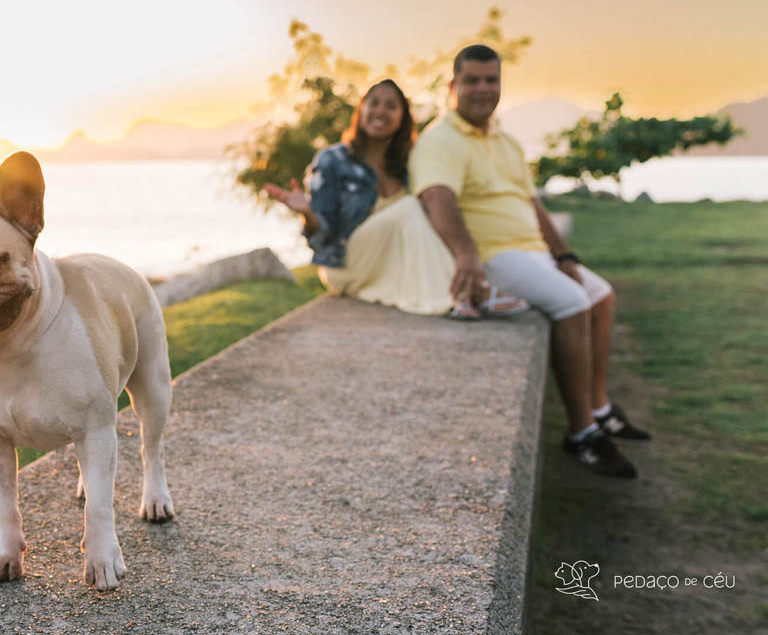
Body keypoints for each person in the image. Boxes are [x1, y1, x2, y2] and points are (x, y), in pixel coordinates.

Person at [410, 44, 650, 479]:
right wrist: (467, 255)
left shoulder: (506, 141)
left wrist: (565, 255)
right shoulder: (438, 140)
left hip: (535, 252)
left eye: (491, 80)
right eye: (473, 80)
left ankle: (600, 408)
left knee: (601, 295)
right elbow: (437, 197)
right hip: (495, 257)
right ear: (453, 86)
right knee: (573, 303)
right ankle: (581, 435)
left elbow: (533, 204)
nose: (483, 89)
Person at [266, 79, 526, 318]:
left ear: (402, 118)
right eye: (374, 103)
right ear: (361, 110)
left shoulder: (407, 164)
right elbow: (323, 240)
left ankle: (462, 291)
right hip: (345, 263)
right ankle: (470, 293)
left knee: (428, 208)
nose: (380, 111)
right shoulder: (332, 160)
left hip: (390, 262)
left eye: (391, 106)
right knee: (410, 205)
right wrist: (307, 213)